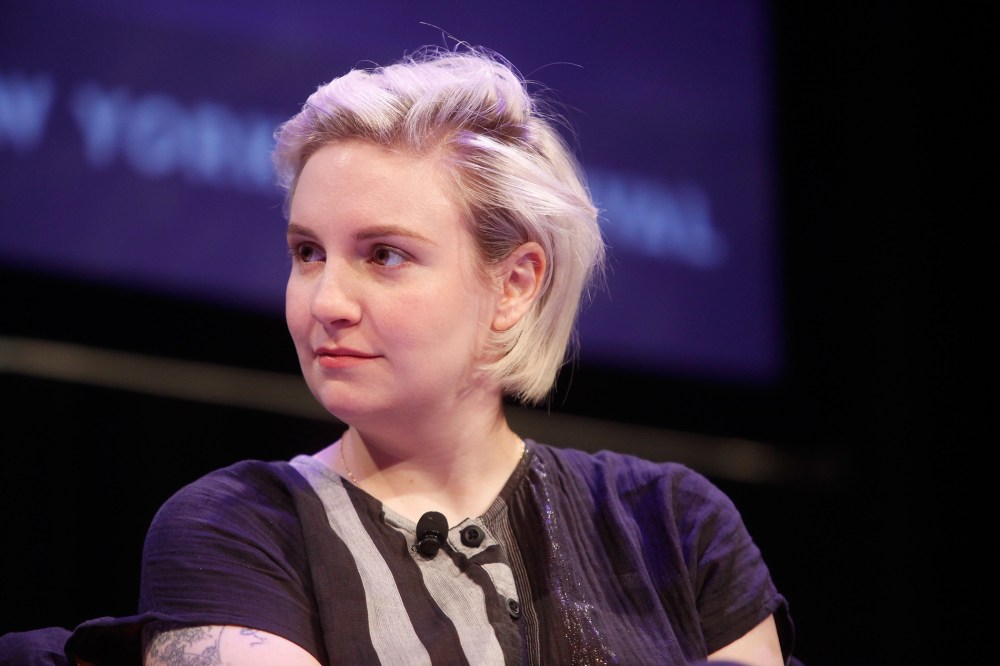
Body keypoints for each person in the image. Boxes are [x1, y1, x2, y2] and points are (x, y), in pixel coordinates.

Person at [2, 44, 797, 665]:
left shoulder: (670, 525)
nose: (325, 302)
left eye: (383, 255)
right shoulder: (236, 529)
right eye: (308, 252)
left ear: (515, 284)